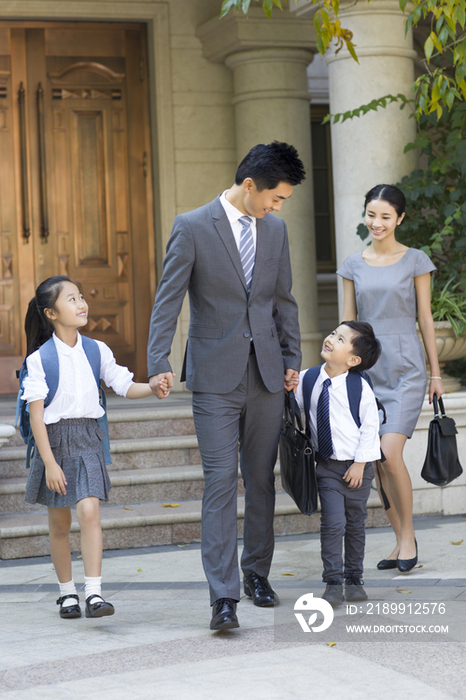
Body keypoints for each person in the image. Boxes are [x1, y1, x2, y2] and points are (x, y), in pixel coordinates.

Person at [147, 141, 304, 631]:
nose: (278, 208)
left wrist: (292, 360)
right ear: (250, 184)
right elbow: (168, 297)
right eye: (275, 197)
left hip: (267, 375)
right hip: (214, 375)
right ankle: (223, 596)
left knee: (261, 480)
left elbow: (284, 301)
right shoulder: (193, 225)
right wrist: (158, 360)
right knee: (220, 482)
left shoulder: (275, 231)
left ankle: (257, 573)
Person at [23, 276, 155, 619]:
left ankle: (94, 594)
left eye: (81, 297)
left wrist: (153, 386)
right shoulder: (40, 359)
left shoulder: (97, 349)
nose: (82, 304)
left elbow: (124, 385)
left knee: (89, 512)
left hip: (87, 439)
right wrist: (50, 463)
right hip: (54, 443)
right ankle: (67, 594)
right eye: (72, 299)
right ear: (51, 313)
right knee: (59, 525)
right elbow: (36, 418)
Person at [338, 184, 445, 573]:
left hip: (406, 368)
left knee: (389, 453)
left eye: (385, 216)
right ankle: (401, 540)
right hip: (368, 370)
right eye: (371, 214)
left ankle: (407, 538)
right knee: (375, 460)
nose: (377, 223)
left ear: (400, 218)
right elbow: (348, 324)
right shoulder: (352, 264)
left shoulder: (415, 259)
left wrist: (436, 373)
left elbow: (426, 319)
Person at [295, 321, 382, 606]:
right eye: (333, 333)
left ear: (353, 359)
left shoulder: (359, 387)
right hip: (327, 467)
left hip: (358, 468)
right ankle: (333, 581)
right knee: (333, 523)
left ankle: (354, 579)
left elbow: (371, 427)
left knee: (355, 524)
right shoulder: (308, 379)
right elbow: (293, 409)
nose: (331, 338)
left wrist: (360, 463)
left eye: (340, 338)